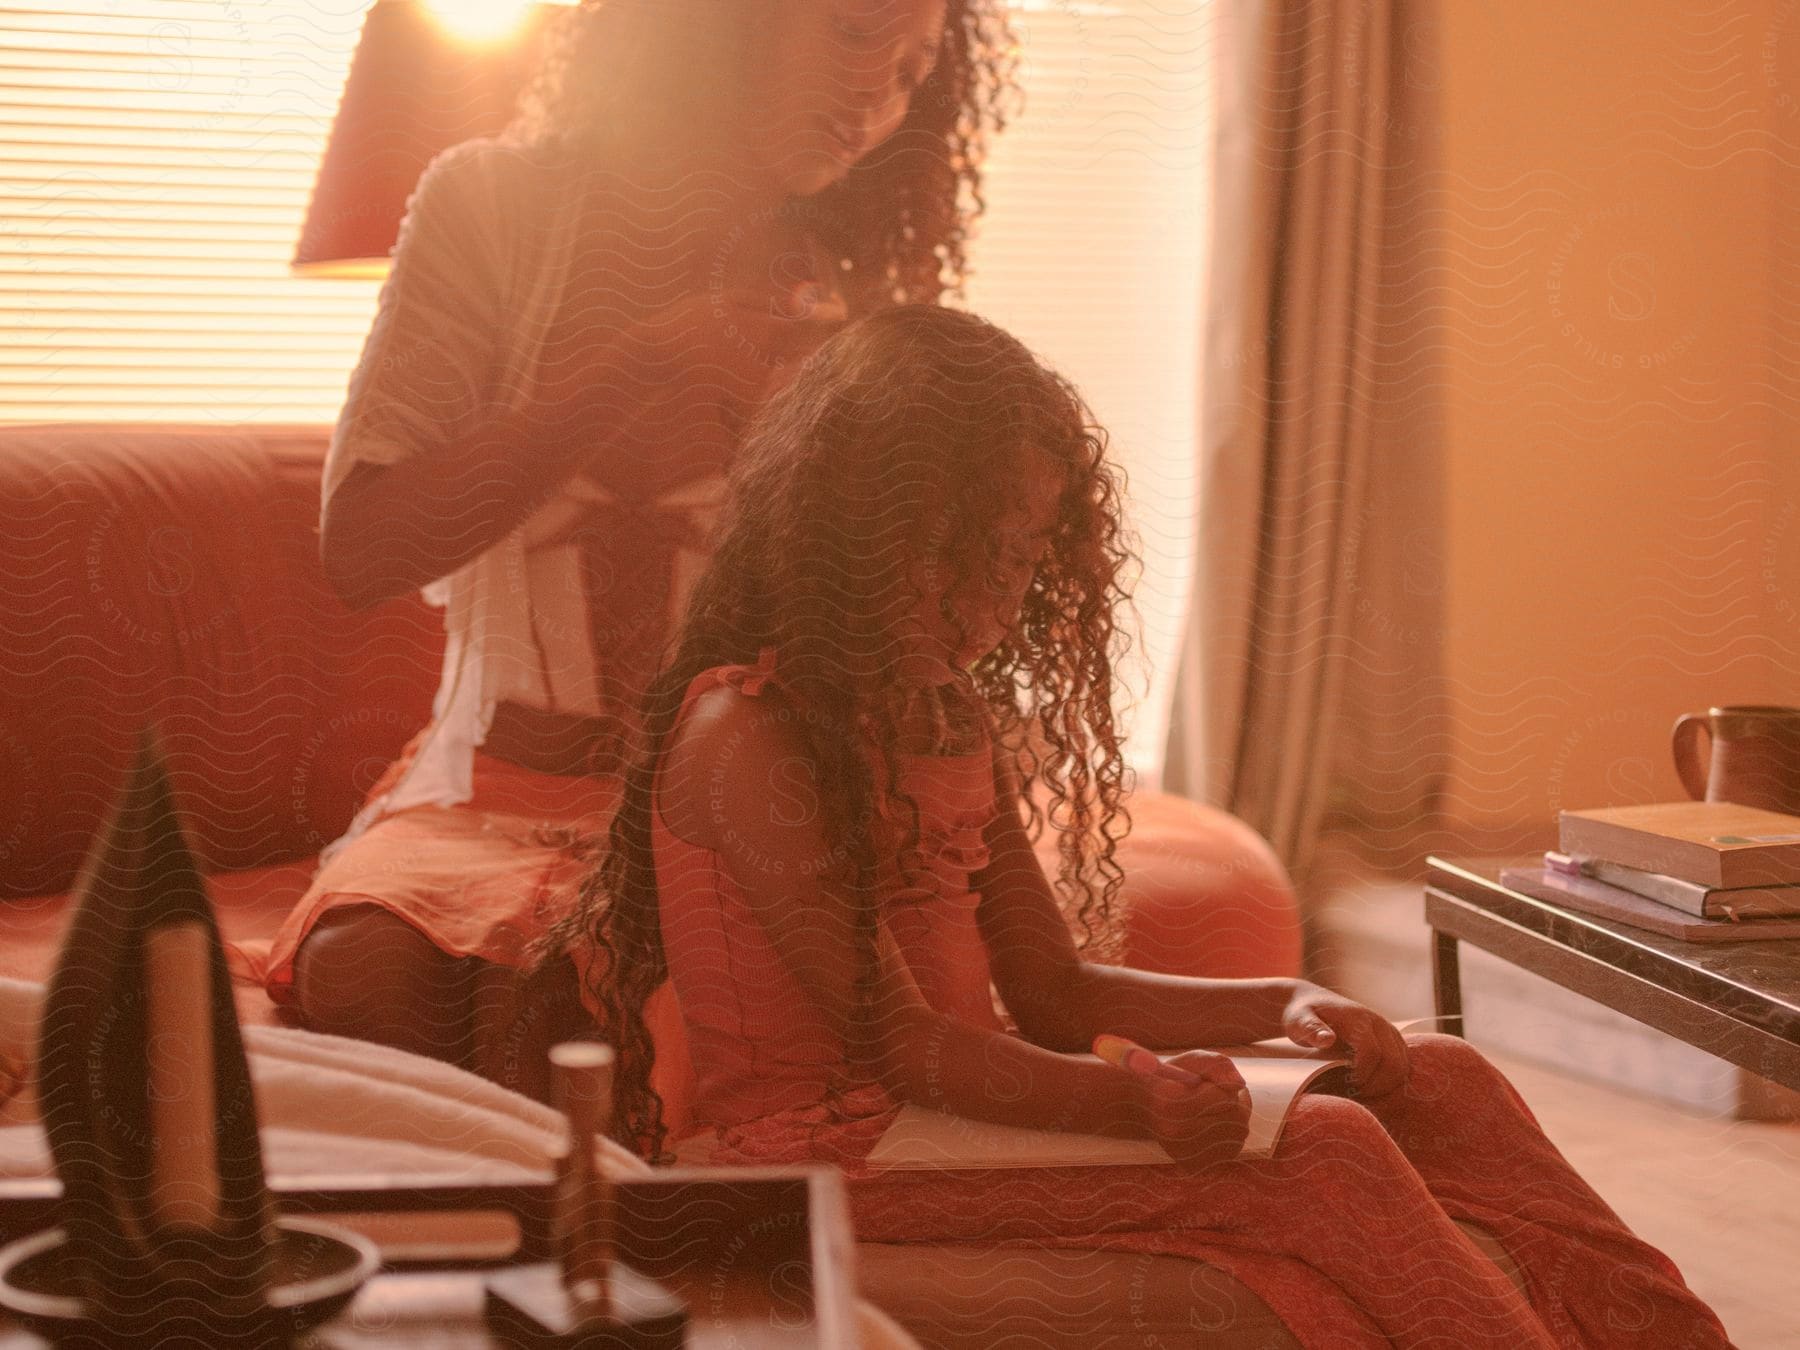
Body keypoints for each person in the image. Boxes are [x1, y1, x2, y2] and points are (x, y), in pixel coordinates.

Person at [537, 305, 1735, 1348]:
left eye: (1015, 563)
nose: (988, 604)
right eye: (952, 556)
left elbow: (1051, 992)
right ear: (849, 532)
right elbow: (908, 1050)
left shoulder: (946, 715)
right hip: (823, 1153)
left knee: (1447, 1075)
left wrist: (1279, 1004)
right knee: (1328, 1157)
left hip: (937, 1121)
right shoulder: (750, 736)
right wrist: (1135, 1105)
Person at [256, 0, 1014, 1102]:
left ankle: (610, 1256)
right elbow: (364, 547)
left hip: (719, 805)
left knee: (573, 1012)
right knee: (365, 973)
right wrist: (635, 366)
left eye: (917, 72)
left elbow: (881, 638)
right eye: (856, 33)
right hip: (483, 786)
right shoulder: (491, 207)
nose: (880, 97)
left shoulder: (855, 296)